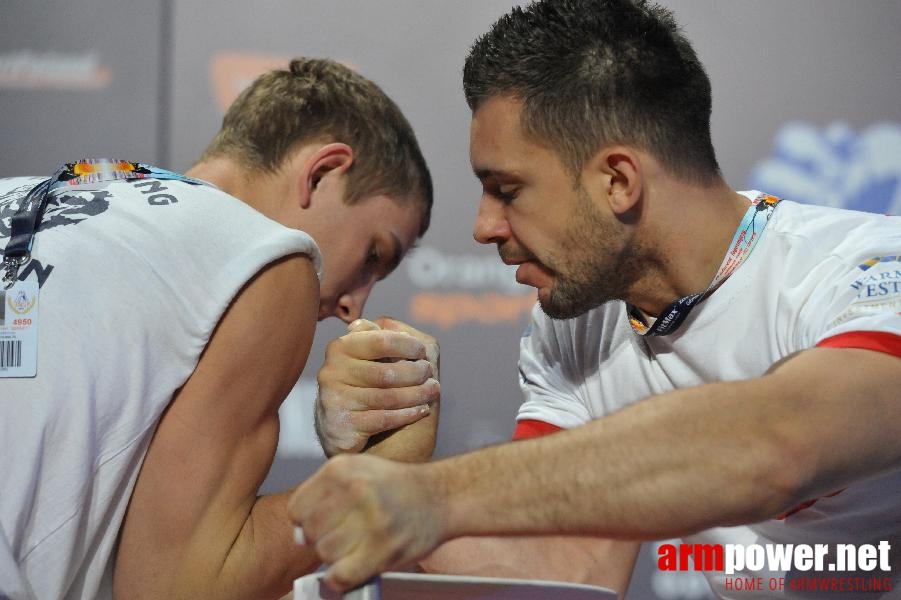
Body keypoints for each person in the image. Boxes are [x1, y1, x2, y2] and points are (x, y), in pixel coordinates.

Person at [288, 1, 901, 598]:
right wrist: (395, 467)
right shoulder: (578, 325)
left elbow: (779, 445)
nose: (483, 227)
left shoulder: (863, 270)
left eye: (507, 189)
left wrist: (440, 496)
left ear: (618, 180)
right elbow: (569, 566)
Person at [0, 57, 440, 600]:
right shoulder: (269, 260)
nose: (354, 305)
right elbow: (173, 590)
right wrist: (384, 479)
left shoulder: (22, 194)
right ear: (322, 172)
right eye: (374, 254)